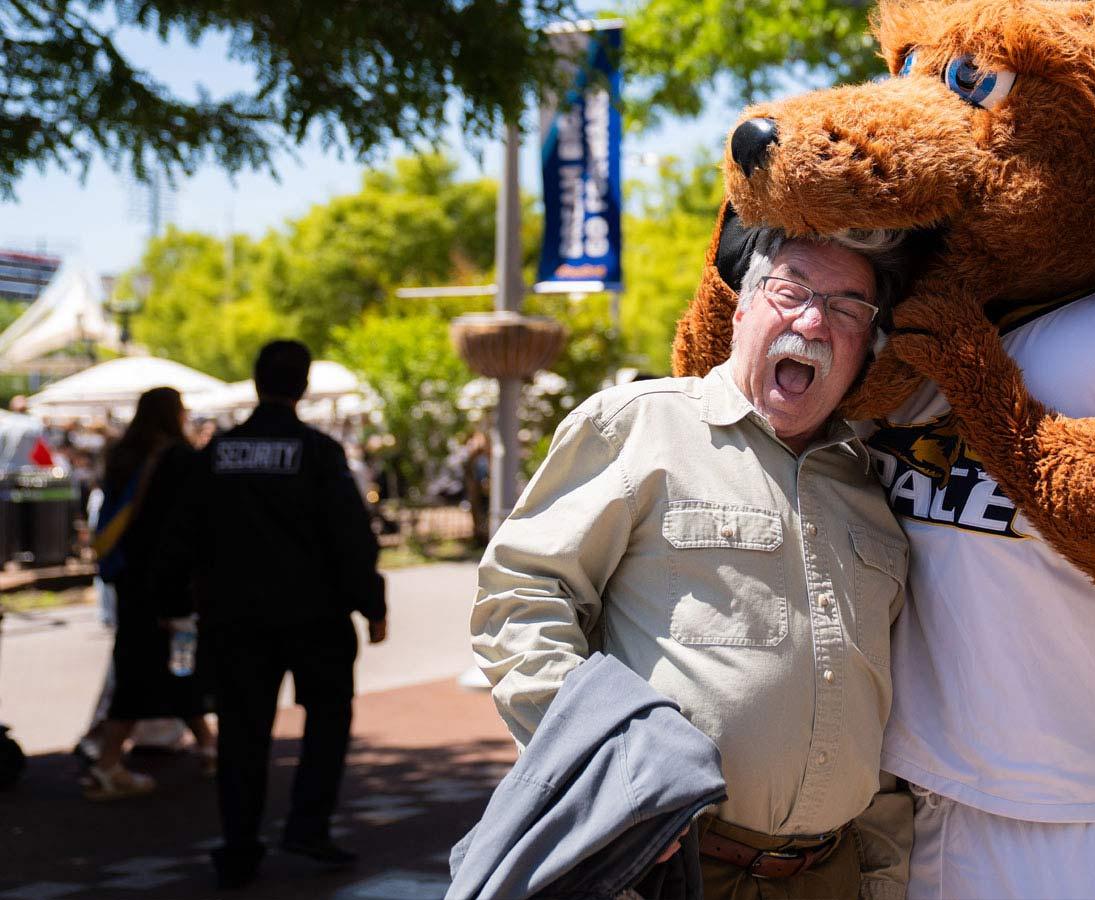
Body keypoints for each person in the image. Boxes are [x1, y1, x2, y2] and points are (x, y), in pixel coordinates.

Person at [472, 229, 915, 899]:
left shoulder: (871, 490)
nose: (815, 319)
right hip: (666, 867)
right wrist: (607, 778)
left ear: (865, 349)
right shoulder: (639, 427)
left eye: (849, 307)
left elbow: (880, 710)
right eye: (792, 289)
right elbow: (522, 595)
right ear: (742, 311)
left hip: (831, 874)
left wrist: (880, 877)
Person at [155, 340, 388, 889]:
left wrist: (171, 602)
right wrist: (372, 605)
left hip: (235, 622)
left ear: (257, 382)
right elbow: (351, 538)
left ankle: (239, 844)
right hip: (317, 618)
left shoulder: (217, 454)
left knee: (242, 733)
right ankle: (308, 827)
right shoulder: (318, 453)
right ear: (302, 386)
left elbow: (179, 534)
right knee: (327, 722)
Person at [82, 387, 216, 800]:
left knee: (158, 663)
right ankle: (107, 764)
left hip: (130, 577)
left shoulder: (122, 455)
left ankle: (208, 744)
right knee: (159, 666)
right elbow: (189, 525)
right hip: (168, 582)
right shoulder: (178, 459)